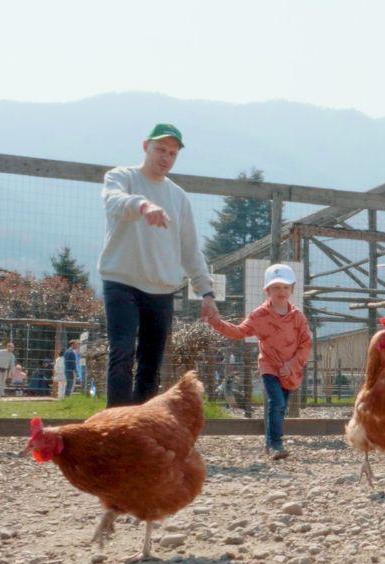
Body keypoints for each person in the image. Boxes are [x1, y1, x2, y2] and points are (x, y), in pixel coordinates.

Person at [98, 123, 219, 407]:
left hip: (162, 289)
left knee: (151, 364)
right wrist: (143, 206)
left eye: (172, 153)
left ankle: (143, 429)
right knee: (122, 354)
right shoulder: (121, 177)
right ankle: (116, 426)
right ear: (145, 147)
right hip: (121, 282)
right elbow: (114, 202)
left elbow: (190, 249)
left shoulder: (178, 197)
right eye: (160, 150)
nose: (166, 157)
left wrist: (207, 293)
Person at [206, 264, 312, 460]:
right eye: (276, 287)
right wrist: (216, 323)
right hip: (269, 366)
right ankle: (276, 444)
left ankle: (270, 443)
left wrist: (293, 364)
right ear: (267, 290)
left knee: (282, 406)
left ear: (292, 290)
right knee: (277, 402)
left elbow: (306, 343)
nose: (281, 292)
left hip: (291, 369)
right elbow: (239, 332)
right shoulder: (259, 315)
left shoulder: (298, 317)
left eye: (285, 287)